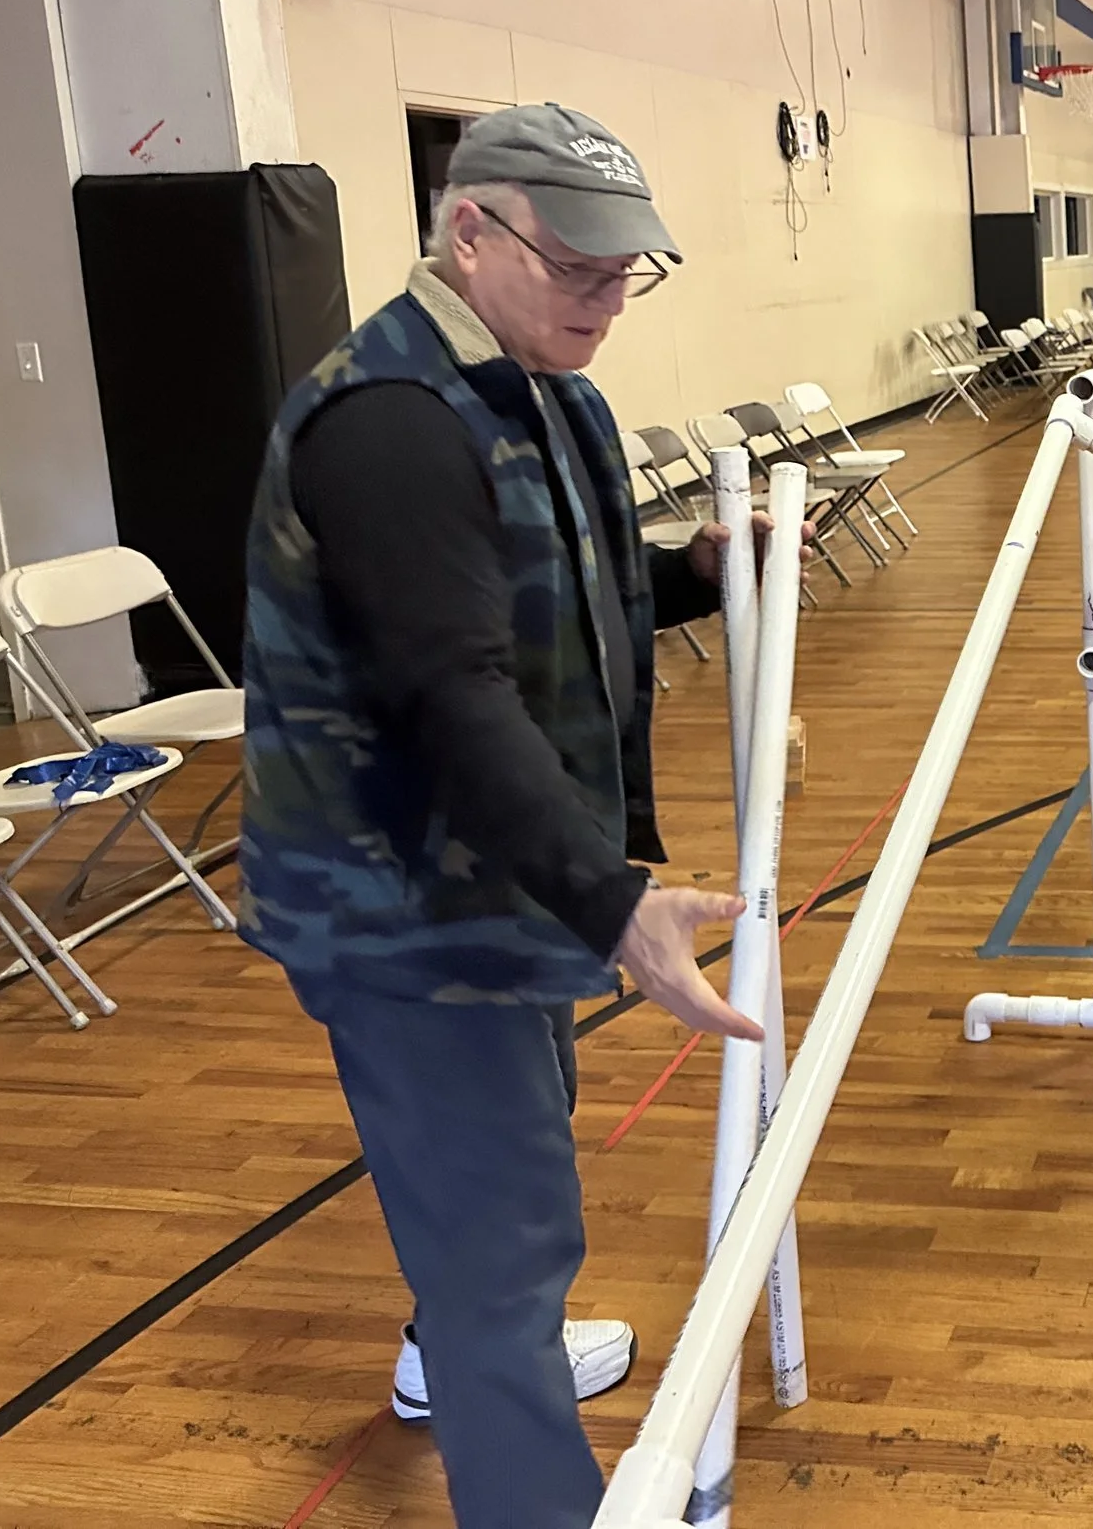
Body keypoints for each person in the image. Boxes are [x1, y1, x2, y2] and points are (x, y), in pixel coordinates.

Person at [240, 103, 769, 1528]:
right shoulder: (392, 422)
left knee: (515, 1142)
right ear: (468, 228)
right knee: (506, 1233)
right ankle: (493, 1384)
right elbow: (449, 689)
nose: (606, 300)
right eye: (577, 267)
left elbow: (552, 598)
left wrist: (699, 572)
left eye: (625, 273)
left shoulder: (546, 389)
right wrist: (615, 902)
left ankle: (449, 1345)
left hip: (501, 872)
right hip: (407, 908)